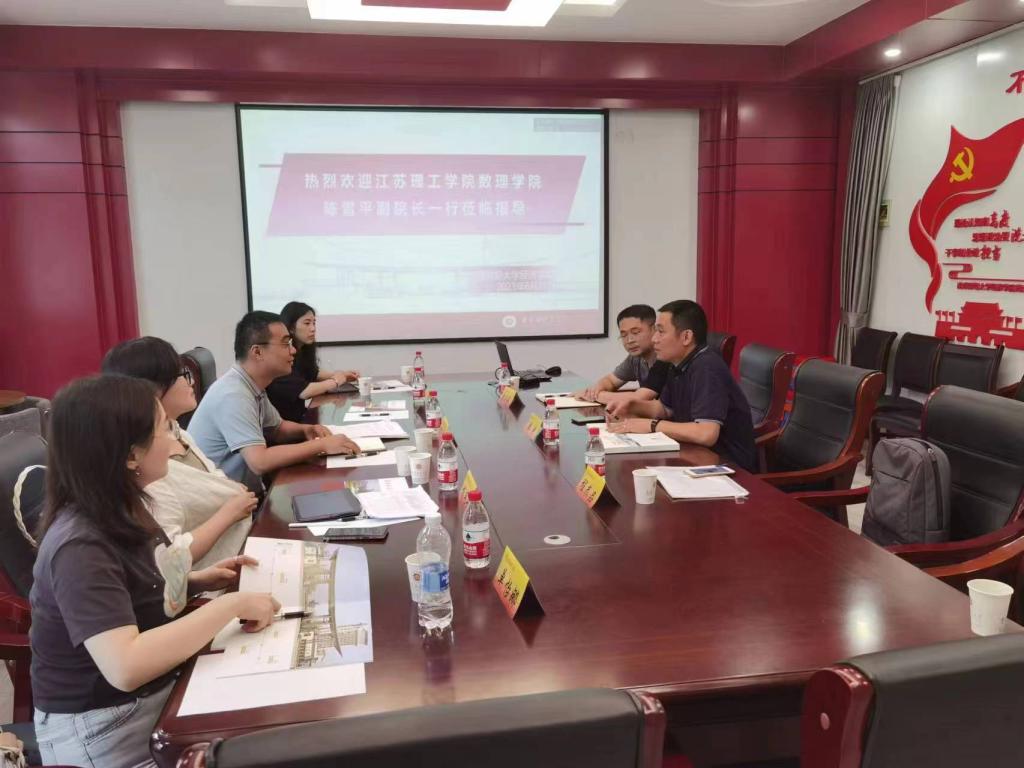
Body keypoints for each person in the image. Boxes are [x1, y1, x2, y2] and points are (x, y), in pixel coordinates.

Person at [30, 375, 280, 768]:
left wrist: (194, 580)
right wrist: (229, 606)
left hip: (151, 696)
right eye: (165, 429)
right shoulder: (79, 545)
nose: (175, 442)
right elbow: (125, 665)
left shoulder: (125, 503)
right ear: (131, 455)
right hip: (107, 727)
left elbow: (136, 586)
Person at [102, 337, 257, 584]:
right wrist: (229, 512)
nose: (191, 381)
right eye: (182, 375)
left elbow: (212, 477)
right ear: (151, 390)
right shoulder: (148, 470)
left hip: (240, 545)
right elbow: (169, 557)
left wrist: (231, 493)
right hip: (210, 577)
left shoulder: (176, 431)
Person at [188, 311, 360, 493]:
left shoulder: (252, 385)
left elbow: (277, 428)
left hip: (242, 494)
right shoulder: (233, 394)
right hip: (222, 502)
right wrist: (321, 445)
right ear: (257, 352)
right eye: (286, 344)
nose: (293, 350)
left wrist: (306, 430)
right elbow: (259, 462)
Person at [607, 299, 757, 472]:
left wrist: (651, 425)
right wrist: (631, 405)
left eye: (660, 332)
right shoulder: (677, 363)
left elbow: (706, 433)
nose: (654, 339)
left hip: (727, 467)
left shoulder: (707, 368)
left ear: (686, 337)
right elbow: (665, 409)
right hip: (693, 454)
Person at [267, 302, 360, 423]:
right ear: (291, 328)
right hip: (284, 422)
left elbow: (313, 372)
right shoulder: (282, 357)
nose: (313, 328)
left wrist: (342, 375)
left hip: (298, 416)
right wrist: (335, 381)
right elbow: (304, 391)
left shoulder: (303, 350)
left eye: (314, 323)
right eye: (307, 323)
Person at [574, 304, 671, 407]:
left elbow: (639, 398)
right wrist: (595, 389)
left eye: (636, 332)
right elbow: (611, 381)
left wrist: (594, 396)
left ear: (654, 329)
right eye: (623, 335)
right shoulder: (635, 358)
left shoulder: (666, 357)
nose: (629, 340)